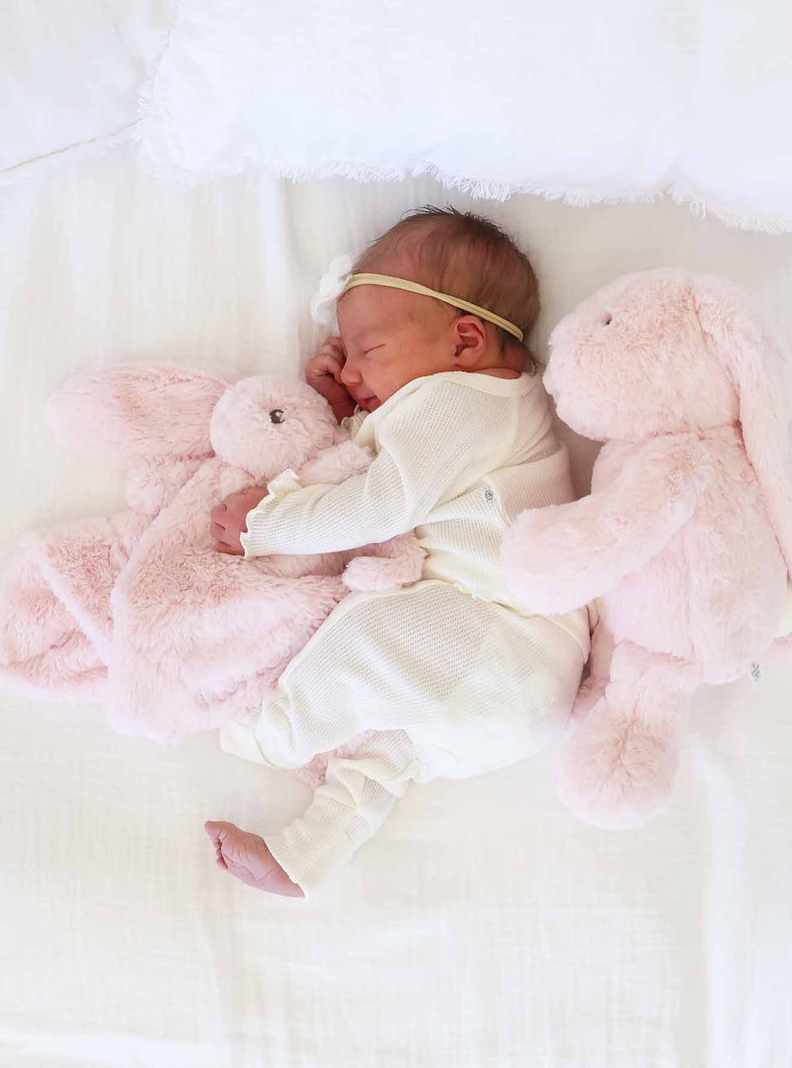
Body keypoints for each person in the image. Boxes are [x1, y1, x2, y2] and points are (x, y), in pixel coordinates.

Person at [206, 207, 590, 896]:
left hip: (506, 641)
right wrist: (337, 404)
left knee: (369, 638)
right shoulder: (459, 403)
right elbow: (375, 467)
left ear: (466, 339)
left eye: (369, 350)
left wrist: (271, 523)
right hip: (502, 677)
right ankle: (306, 857)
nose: (352, 368)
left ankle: (269, 732)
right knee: (385, 755)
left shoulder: (470, 401)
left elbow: (381, 501)